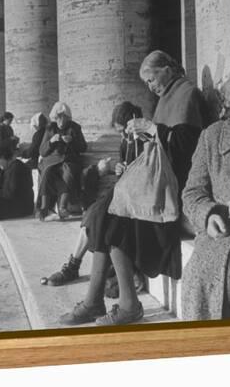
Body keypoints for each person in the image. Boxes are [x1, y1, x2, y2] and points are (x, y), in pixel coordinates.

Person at [60, 50, 205, 326]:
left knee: (112, 218)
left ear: (166, 68)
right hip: (156, 183)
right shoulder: (166, 98)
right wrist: (146, 134)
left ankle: (127, 304)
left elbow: (188, 148)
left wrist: (152, 129)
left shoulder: (188, 93)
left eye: (151, 79)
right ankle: (95, 301)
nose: (151, 87)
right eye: (147, 83)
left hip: (172, 190)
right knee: (102, 212)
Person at [41, 102, 143, 286]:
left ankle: (73, 266)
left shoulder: (144, 140)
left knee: (96, 214)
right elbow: (42, 150)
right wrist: (119, 168)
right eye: (120, 132)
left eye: (124, 131)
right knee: (93, 213)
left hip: (136, 195)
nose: (122, 136)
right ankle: (73, 264)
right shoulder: (126, 141)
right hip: (123, 190)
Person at [181, 79, 230, 321]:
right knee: (200, 278)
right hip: (224, 235)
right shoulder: (212, 137)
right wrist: (209, 214)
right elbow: (192, 193)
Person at [37, 102, 87, 220]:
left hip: (69, 160)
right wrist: (51, 142)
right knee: (47, 172)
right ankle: (45, 208)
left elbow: (83, 147)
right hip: (52, 160)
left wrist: (72, 141)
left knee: (68, 172)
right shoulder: (50, 128)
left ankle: (62, 207)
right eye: (59, 117)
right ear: (55, 117)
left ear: (68, 117)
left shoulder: (75, 127)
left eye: (64, 117)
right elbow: (42, 151)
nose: (61, 120)